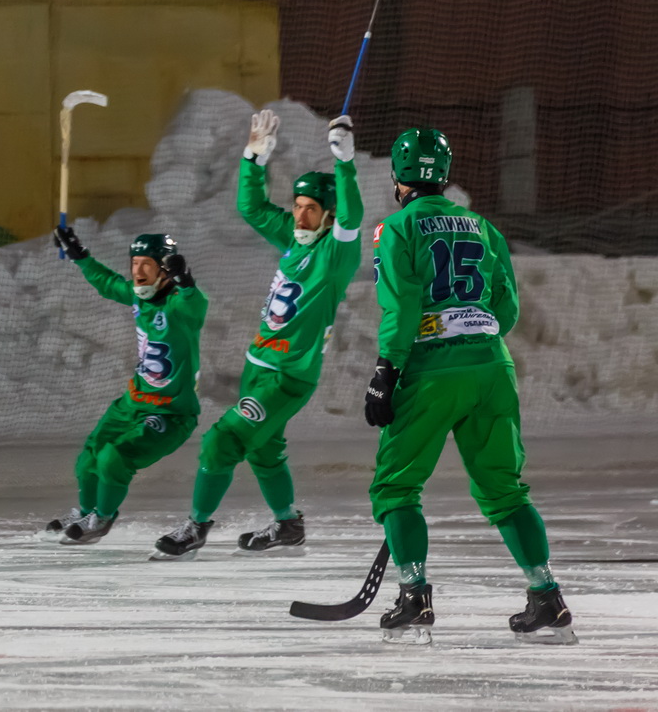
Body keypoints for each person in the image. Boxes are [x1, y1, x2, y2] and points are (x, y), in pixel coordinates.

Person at [365, 128, 575, 644]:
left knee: (396, 486)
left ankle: (414, 595)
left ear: (398, 177)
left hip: (432, 372)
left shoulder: (396, 228)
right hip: (492, 368)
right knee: (505, 490)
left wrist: (386, 371)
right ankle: (546, 596)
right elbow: (507, 308)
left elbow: (402, 307)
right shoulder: (483, 226)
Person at [155, 109, 362, 559]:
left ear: (329, 217)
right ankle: (288, 525)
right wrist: (254, 157)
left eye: (311, 210)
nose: (300, 216)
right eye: (298, 206)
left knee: (223, 440)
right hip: (258, 367)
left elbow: (353, 219)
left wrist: (344, 162)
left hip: (288, 377)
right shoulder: (294, 237)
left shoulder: (335, 255)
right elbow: (251, 207)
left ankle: (196, 527)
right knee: (265, 450)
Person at [49, 230, 205, 546]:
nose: (137, 271)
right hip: (132, 404)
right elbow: (107, 283)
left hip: (171, 413)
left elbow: (196, 305)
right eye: (134, 263)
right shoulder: (138, 296)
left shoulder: (178, 305)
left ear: (164, 269)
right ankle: (85, 512)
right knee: (90, 457)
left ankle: (102, 518)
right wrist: (81, 256)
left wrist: (186, 281)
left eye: (146, 264)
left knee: (114, 457)